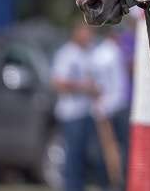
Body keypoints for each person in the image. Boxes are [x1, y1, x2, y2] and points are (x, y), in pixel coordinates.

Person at [51, 22, 99, 191]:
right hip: (71, 114)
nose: (89, 36)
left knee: (84, 156)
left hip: (88, 112)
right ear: (77, 33)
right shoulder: (66, 54)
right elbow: (58, 83)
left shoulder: (90, 52)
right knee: (73, 156)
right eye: (86, 32)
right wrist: (83, 87)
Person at [90, 28, 130, 190]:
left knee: (108, 148)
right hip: (114, 105)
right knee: (114, 148)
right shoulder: (112, 52)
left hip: (104, 105)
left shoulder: (98, 53)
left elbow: (94, 82)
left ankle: (108, 182)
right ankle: (114, 182)